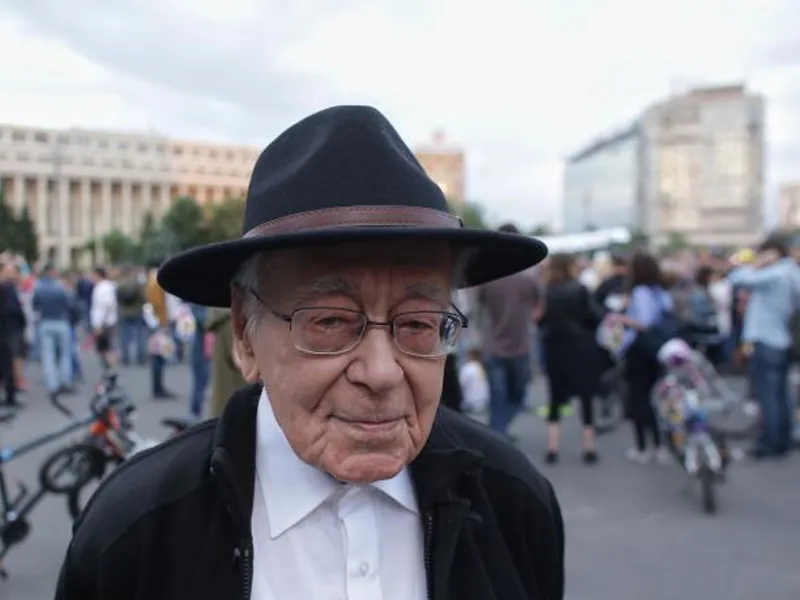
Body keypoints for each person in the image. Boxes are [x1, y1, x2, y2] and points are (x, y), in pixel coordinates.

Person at [55, 105, 564, 600]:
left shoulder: (514, 501)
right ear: (245, 333)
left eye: (418, 323)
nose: (382, 372)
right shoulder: (137, 531)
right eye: (330, 321)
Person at [728, 238, 800, 458]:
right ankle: (784, 439)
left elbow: (736, 278)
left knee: (768, 396)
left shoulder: (775, 273)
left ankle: (769, 443)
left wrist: (757, 264)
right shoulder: (792, 274)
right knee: (781, 394)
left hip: (765, 340)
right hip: (781, 339)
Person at [537, 254, 603, 465]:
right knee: (586, 398)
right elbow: (595, 317)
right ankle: (589, 447)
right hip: (581, 348)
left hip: (555, 348)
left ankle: (552, 447)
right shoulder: (580, 289)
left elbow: (542, 322)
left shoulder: (546, 291)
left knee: (555, 398)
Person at [477, 223, 541, 438]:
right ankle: (499, 434)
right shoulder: (528, 278)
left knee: (498, 399)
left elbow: (479, 308)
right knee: (517, 397)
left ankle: (498, 433)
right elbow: (539, 308)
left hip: (493, 346)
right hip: (520, 346)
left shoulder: (488, 278)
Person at [612, 253, 673, 465]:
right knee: (656, 396)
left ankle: (644, 446)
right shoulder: (660, 292)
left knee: (639, 398)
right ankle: (661, 444)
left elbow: (644, 322)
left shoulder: (639, 292)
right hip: (658, 349)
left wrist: (620, 318)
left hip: (639, 350)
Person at [32, 263, 73, 400]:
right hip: (61, 321)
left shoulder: (39, 287)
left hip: (45, 321)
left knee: (48, 355)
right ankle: (64, 381)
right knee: (65, 354)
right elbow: (68, 305)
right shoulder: (61, 287)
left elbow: (35, 305)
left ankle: (52, 384)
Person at [206, 307, 247, 418]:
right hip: (236, 408)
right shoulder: (232, 323)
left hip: (228, 404)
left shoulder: (225, 321)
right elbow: (241, 360)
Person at [90, 267, 118, 370]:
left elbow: (105, 305)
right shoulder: (107, 286)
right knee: (106, 348)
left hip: (104, 323)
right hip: (107, 322)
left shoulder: (102, 287)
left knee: (105, 349)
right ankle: (110, 371)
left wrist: (99, 324)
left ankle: (111, 371)